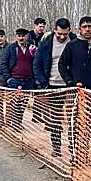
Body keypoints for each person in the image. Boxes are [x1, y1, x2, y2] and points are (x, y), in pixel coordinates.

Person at [58, 16, 91, 164]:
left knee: (89, 123)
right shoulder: (72, 46)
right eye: (85, 26)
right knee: (74, 123)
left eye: (90, 26)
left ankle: (84, 152)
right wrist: (70, 82)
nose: (87, 29)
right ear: (79, 29)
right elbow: (62, 65)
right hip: (75, 92)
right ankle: (74, 153)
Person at [33, 18, 76, 156]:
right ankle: (56, 147)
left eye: (65, 34)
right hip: (53, 85)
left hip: (71, 86)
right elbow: (37, 66)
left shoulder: (75, 42)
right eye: (59, 34)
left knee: (73, 118)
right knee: (55, 118)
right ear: (54, 31)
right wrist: (44, 83)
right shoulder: (46, 44)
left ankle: (74, 148)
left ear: (69, 31)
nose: (63, 37)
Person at [0, 28, 37, 128]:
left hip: (28, 80)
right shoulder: (11, 48)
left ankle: (18, 122)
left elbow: (36, 62)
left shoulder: (31, 48)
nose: (21, 38)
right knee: (15, 102)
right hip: (15, 79)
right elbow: (3, 63)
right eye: (19, 36)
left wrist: (34, 53)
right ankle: (15, 124)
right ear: (16, 37)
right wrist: (8, 78)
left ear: (27, 37)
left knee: (23, 103)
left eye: (23, 36)